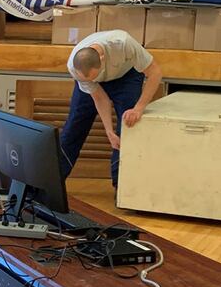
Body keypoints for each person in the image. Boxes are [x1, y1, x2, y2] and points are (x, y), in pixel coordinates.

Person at [60, 29, 163, 189]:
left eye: (95, 76)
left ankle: (122, 188)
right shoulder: (75, 67)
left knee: (128, 126)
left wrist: (139, 108)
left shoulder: (123, 43)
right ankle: (50, 185)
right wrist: (108, 131)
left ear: (102, 58)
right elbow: (100, 98)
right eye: (90, 79)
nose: (94, 80)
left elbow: (155, 72)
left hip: (126, 75)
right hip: (94, 83)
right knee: (74, 125)